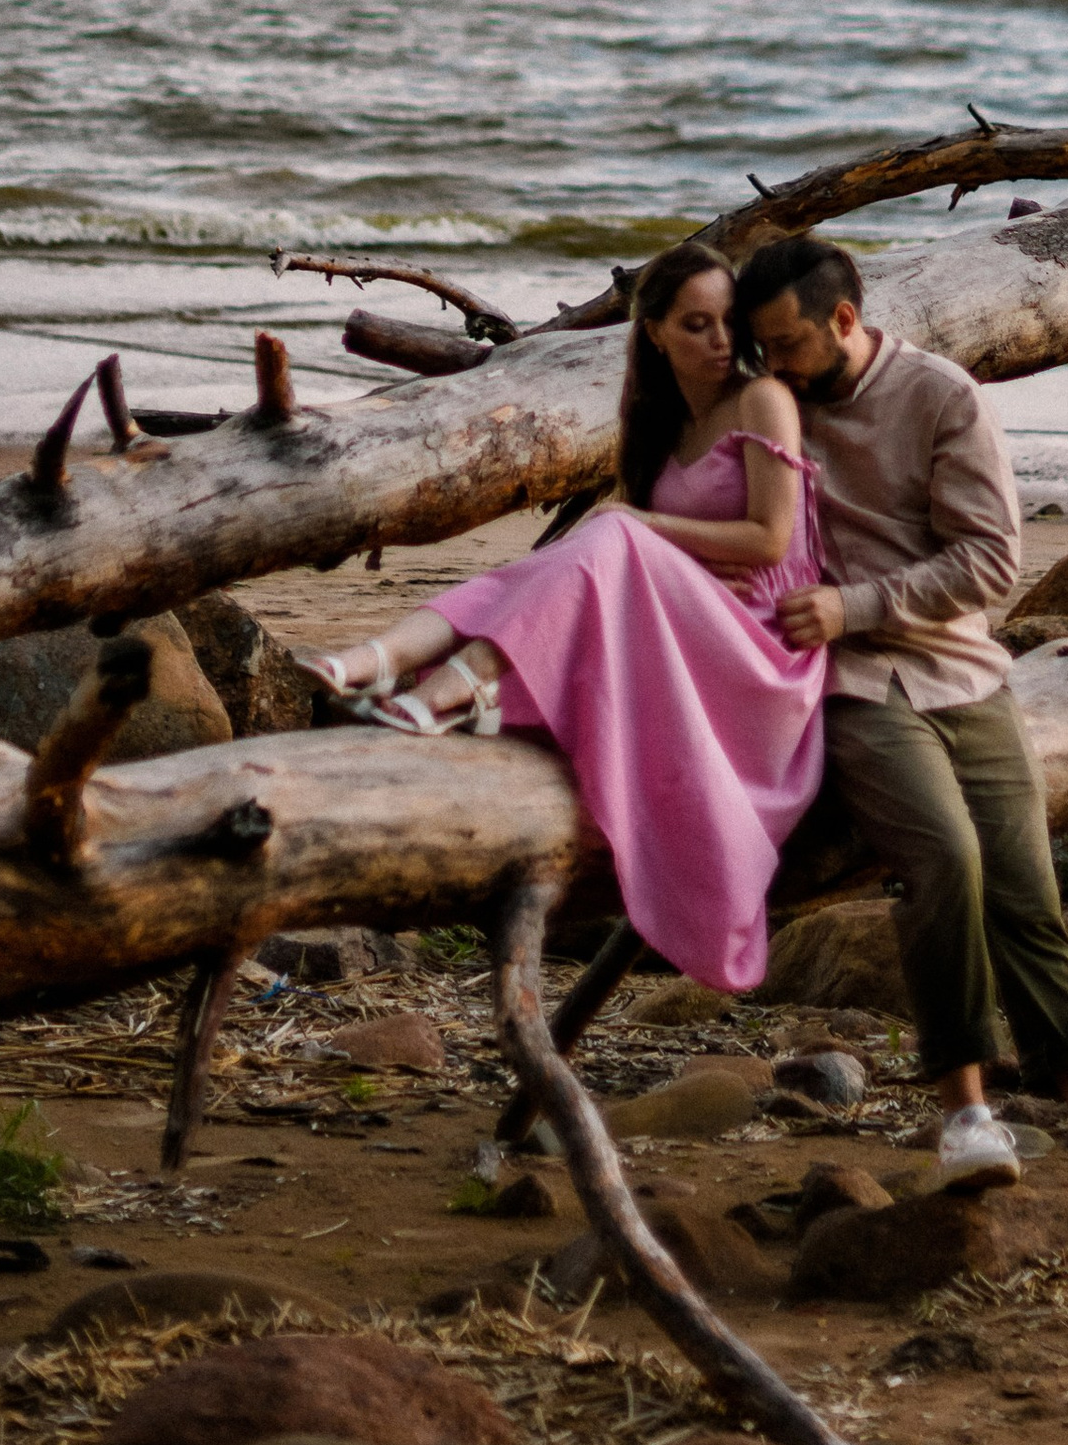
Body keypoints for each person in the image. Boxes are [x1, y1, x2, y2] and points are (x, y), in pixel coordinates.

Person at [735, 230, 1068, 1205]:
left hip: (961, 676)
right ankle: (964, 1116)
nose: (771, 367)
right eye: (758, 348)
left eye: (785, 344)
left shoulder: (937, 398)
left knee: (1026, 899)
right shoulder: (774, 406)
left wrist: (852, 603)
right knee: (942, 863)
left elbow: (994, 564)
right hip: (855, 689)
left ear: (843, 321)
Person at [301, 240, 825, 993]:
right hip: (687, 623)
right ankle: (374, 661)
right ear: (653, 332)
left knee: (610, 532)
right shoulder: (662, 420)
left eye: (726, 323)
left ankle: (448, 686)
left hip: (763, 649)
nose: (718, 341)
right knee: (540, 570)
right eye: (695, 325)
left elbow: (771, 540)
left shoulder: (761, 398)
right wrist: (634, 531)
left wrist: (640, 527)